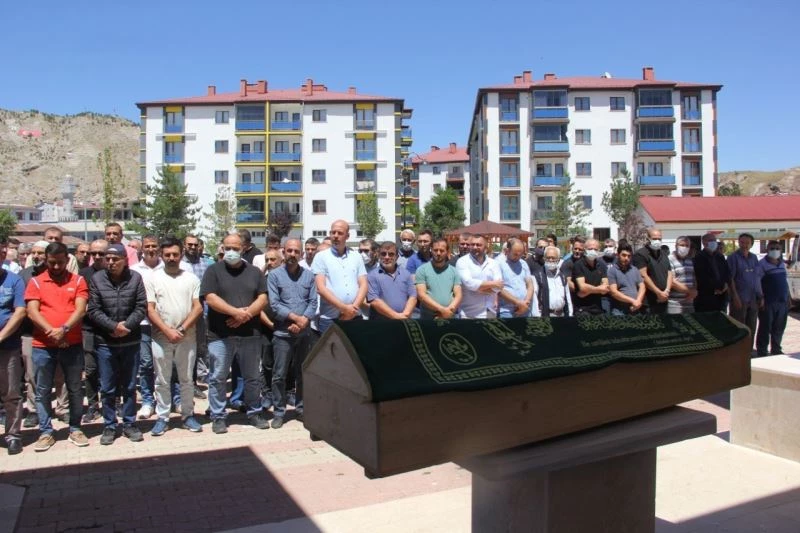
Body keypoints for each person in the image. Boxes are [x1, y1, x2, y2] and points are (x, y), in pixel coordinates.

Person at [24, 241, 89, 451]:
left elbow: (80, 309)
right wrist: (52, 332)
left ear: (67, 260)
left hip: (72, 343)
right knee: (42, 389)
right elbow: (32, 311)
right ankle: (46, 431)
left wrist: (64, 329)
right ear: (46, 260)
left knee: (75, 387)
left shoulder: (78, 280)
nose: (56, 267)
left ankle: (75, 428)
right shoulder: (36, 282)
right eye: (52, 262)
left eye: (60, 262)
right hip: (42, 345)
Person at [201, 233, 269, 433]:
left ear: (244, 248)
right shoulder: (213, 270)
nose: (231, 252)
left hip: (250, 334)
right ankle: (218, 415)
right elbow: (210, 298)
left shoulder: (254, 272)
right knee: (218, 377)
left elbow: (263, 298)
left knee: (252, 377)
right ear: (222, 248)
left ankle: (254, 412)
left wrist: (245, 315)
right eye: (227, 248)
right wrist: (235, 312)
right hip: (220, 335)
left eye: (235, 248)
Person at [88, 243, 148, 445]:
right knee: (107, 387)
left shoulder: (135, 278)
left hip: (131, 341)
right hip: (106, 342)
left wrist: (126, 326)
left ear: (125, 260)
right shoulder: (97, 279)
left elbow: (141, 307)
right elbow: (93, 309)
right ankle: (109, 425)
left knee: (129, 386)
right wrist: (113, 326)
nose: (111, 262)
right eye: (108, 259)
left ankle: (130, 423)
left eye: (115, 259)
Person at [146, 237, 204, 435]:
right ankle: (162, 417)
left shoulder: (191, 279)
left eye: (175, 254)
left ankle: (188, 415)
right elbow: (150, 309)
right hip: (161, 336)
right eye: (167, 255)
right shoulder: (153, 278)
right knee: (162, 380)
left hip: (187, 337)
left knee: (187, 379)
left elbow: (198, 307)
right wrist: (167, 330)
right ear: (161, 255)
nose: (171, 258)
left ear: (181, 255)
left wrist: (182, 329)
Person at [267, 238, 317, 428]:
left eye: (296, 251)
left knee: (302, 373)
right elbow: (274, 304)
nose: (293, 255)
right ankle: (279, 412)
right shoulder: (274, 276)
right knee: (279, 374)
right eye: (289, 251)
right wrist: (296, 319)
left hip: (304, 334)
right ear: (283, 252)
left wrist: (304, 321)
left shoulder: (309, 276)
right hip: (282, 334)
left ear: (301, 254)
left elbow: (313, 302)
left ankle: (301, 409)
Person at [313, 220, 368, 334]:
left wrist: (353, 309)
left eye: (340, 233)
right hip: (330, 319)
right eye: (333, 232)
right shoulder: (321, 257)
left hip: (355, 316)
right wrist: (344, 308)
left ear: (347, 236)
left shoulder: (356, 256)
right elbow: (321, 288)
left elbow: (363, 284)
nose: (335, 236)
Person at [18, 241, 49, 429]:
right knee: (32, 375)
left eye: (40, 253)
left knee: (59, 376)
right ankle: (34, 409)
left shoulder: (58, 273)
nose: (36, 256)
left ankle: (63, 408)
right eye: (34, 253)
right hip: (30, 333)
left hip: (57, 332)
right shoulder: (23, 275)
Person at [0, 240, 27, 455]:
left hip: (8, 345)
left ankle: (13, 435)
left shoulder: (14, 280)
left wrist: (1, 336)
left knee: (11, 392)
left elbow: (20, 311)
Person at [78, 239, 109, 423]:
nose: (97, 256)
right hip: (88, 329)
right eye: (93, 253)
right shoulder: (83, 274)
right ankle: (92, 405)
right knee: (90, 369)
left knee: (112, 369)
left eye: (101, 253)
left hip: (110, 329)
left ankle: (112, 403)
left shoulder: (114, 273)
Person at [183, 234, 210, 392]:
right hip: (182, 314)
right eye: (190, 244)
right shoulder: (179, 263)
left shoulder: (205, 265)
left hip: (200, 314)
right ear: (184, 245)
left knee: (196, 349)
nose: (192, 247)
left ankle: (193, 384)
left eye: (195, 244)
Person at [456, 234, 503, 318]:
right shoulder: (462, 261)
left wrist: (478, 288)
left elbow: (499, 286)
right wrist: (493, 283)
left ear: (485, 247)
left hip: (490, 312)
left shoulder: (494, 263)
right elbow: (469, 283)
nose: (475, 247)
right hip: (468, 313)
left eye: (478, 245)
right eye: (472, 244)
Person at [756, 241, 790, 357]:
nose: (775, 250)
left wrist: (788, 297)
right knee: (765, 327)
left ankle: (776, 349)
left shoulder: (782, 264)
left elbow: (785, 281)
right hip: (768, 301)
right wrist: (760, 297)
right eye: (772, 248)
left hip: (782, 301)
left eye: (777, 248)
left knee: (779, 327)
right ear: (767, 250)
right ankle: (762, 350)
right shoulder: (761, 264)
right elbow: (757, 283)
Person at [728, 233, 763, 343]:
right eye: (742, 242)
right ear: (739, 243)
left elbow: (757, 278)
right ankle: (737, 350)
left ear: (751, 244)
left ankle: (749, 350)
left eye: (747, 243)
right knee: (738, 327)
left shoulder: (754, 258)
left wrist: (761, 296)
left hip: (753, 299)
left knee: (751, 327)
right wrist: (735, 297)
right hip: (740, 299)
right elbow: (730, 279)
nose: (744, 245)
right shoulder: (733, 257)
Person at [367, 241, 417, 320]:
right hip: (381, 323)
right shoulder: (371, 276)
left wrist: (405, 314)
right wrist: (396, 316)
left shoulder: (406, 273)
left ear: (397, 257)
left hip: (403, 320)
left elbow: (413, 296)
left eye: (391, 254)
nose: (387, 257)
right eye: (383, 254)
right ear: (379, 255)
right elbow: (374, 301)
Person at [415, 238, 462, 320]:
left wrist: (448, 312)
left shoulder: (454, 271)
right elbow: (421, 295)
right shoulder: (422, 270)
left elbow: (458, 295)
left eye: (442, 250)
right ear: (431, 250)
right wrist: (442, 310)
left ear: (447, 252)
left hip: (449, 317)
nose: (438, 253)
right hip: (428, 319)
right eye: (435, 250)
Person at [633, 228, 673, 314]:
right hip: (648, 302)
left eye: (659, 239)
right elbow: (643, 275)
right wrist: (658, 293)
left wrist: (666, 291)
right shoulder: (641, 254)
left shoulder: (663, 254)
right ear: (648, 239)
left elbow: (669, 273)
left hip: (664, 299)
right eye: (654, 238)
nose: (657, 241)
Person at [693, 233, 730, 312]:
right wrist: (714, 288)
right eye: (711, 240)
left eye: (714, 240)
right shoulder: (699, 257)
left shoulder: (720, 256)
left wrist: (725, 284)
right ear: (704, 242)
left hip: (722, 296)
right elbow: (701, 276)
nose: (714, 242)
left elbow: (726, 272)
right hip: (706, 297)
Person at [531, 246, 572, 317]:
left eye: (553, 258)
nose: (550, 260)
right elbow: (534, 299)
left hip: (561, 315)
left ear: (558, 259)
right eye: (548, 257)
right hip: (545, 316)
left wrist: (570, 314)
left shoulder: (562, 276)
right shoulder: (537, 276)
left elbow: (568, 297)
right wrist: (537, 317)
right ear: (544, 258)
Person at [572, 238, 609, 315]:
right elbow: (582, 287)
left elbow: (605, 288)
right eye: (590, 249)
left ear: (599, 250)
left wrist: (587, 291)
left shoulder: (602, 265)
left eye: (595, 249)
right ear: (585, 249)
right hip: (582, 309)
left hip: (598, 308)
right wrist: (599, 289)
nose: (593, 251)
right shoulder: (578, 265)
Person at [498, 239, 533, 318]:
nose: (518, 257)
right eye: (515, 254)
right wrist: (517, 302)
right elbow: (498, 289)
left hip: (524, 309)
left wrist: (526, 302)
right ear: (507, 251)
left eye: (520, 254)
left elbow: (530, 285)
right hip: (506, 310)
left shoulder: (523, 263)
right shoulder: (498, 264)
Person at [607, 244, 645, 315]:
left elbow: (642, 286)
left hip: (635, 308)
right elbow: (613, 292)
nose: (626, 258)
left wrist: (638, 301)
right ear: (618, 255)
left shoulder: (635, 269)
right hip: (619, 311)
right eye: (624, 255)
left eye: (629, 256)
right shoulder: (612, 271)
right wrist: (633, 301)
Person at [667, 236, 697, 314]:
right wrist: (691, 292)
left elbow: (693, 278)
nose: (684, 248)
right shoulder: (669, 259)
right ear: (676, 246)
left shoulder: (690, 260)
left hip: (689, 301)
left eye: (687, 246)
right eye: (682, 245)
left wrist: (694, 291)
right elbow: (672, 282)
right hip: (675, 303)